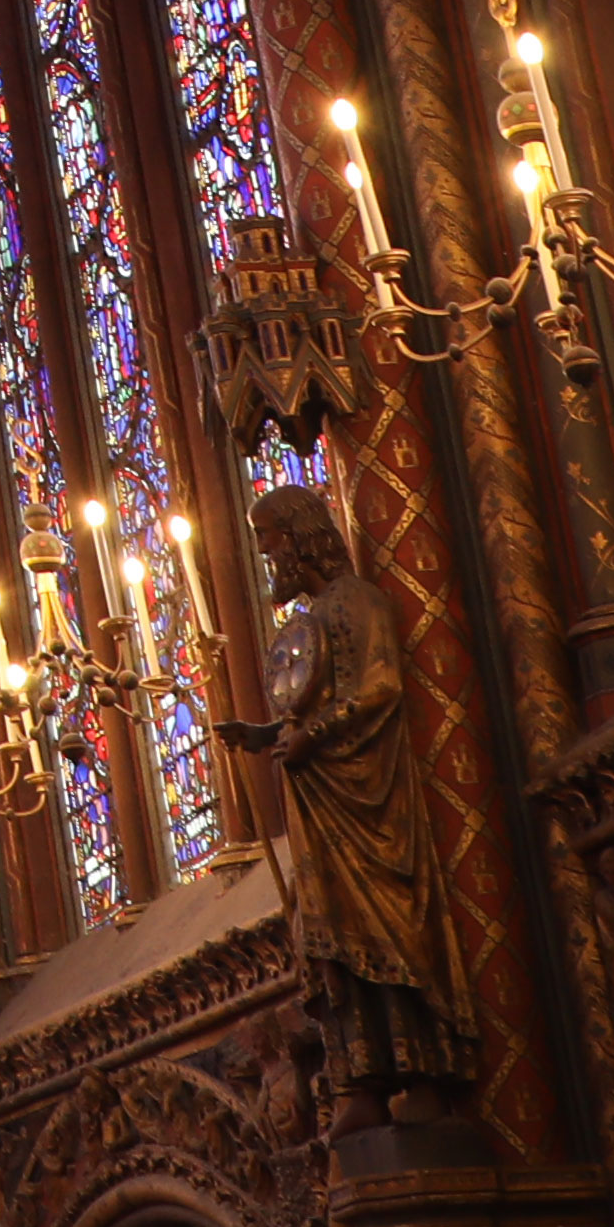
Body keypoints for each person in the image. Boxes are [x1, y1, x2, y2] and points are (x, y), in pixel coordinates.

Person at [219, 483, 485, 1127]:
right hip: (323, 804)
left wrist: (313, 734)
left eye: (269, 541)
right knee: (332, 939)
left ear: (302, 537)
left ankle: (422, 1070)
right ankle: (362, 1079)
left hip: (370, 804)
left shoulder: (357, 602)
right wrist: (268, 736)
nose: (266, 557)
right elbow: (312, 698)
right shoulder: (311, 618)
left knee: (386, 930)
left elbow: (379, 686)